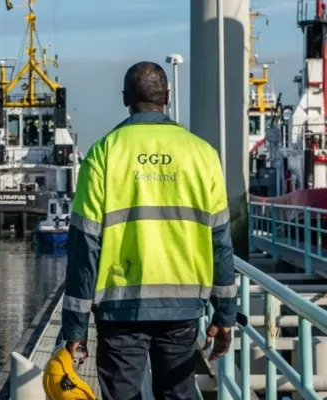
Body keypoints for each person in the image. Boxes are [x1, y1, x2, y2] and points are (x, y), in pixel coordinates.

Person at [60, 61, 237, 400]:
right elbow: (221, 242)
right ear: (167, 97)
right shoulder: (202, 154)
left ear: (125, 97)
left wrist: (75, 328)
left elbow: (84, 246)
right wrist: (226, 315)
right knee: (178, 392)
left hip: (119, 307)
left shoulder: (103, 153)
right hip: (183, 307)